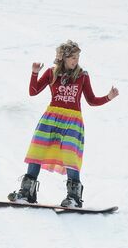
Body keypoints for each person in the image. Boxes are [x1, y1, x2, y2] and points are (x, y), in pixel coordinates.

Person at [8, 41, 118, 207]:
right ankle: (26, 193)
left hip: (72, 121)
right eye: (72, 57)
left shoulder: (82, 75)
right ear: (63, 58)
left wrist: (108, 97)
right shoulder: (52, 73)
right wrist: (34, 73)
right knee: (37, 151)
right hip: (51, 118)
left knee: (70, 154)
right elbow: (33, 91)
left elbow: (91, 100)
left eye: (77, 57)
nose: (75, 60)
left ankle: (73, 197)